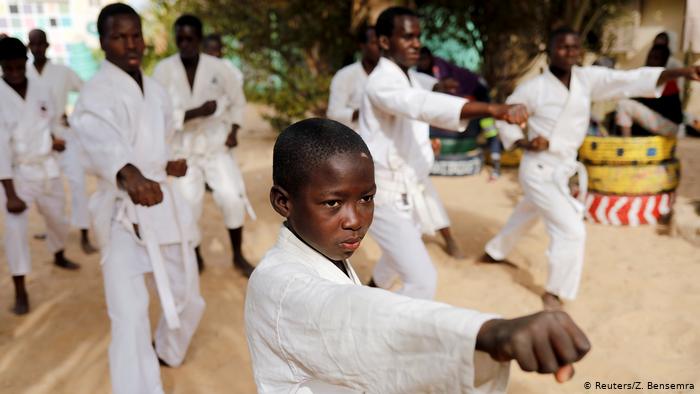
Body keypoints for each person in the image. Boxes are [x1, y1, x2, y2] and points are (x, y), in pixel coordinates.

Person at [245, 117, 591, 393]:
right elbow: (357, 317)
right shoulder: (279, 286)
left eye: (366, 198)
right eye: (332, 203)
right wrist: (486, 333)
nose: (355, 220)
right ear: (283, 202)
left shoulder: (324, 254)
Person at [483, 27, 700, 310]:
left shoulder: (587, 80)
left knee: (528, 212)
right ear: (549, 51)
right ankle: (554, 292)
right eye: (563, 47)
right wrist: (524, 142)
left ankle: (494, 252)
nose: (570, 52)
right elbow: (503, 117)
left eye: (575, 47)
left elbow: (628, 80)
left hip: (564, 167)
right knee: (572, 231)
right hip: (539, 168)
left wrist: (681, 72)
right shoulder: (533, 89)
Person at [70, 4, 204, 393]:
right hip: (122, 213)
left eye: (136, 35)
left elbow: (158, 142)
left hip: (162, 203)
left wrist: (167, 164)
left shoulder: (156, 89)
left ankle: (167, 349)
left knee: (188, 298)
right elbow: (99, 140)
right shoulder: (96, 94)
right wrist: (128, 173)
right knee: (129, 319)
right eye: (118, 36)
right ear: (103, 41)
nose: (131, 44)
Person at [358, 7, 527, 299]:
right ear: (384, 42)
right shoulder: (381, 82)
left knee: (393, 264)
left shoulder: (407, 76)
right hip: (385, 195)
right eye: (407, 37)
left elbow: (425, 93)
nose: (416, 44)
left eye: (418, 37)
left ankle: (364, 300)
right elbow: (422, 104)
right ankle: (385, 331)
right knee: (423, 281)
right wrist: (492, 109)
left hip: (409, 190)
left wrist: (424, 144)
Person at [153, 14, 255, 276]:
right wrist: (193, 112)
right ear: (176, 39)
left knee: (232, 197)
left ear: (199, 39)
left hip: (214, 146)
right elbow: (157, 113)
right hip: (183, 150)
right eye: (181, 39)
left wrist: (234, 129)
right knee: (188, 204)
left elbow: (237, 101)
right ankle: (195, 255)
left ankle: (237, 254)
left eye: (191, 38)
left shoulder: (220, 68)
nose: (185, 44)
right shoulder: (163, 71)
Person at [0, 37, 80, 315]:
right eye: (7, 68)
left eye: (18, 66)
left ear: (25, 62)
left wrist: (56, 138)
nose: (14, 72)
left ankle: (58, 253)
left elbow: (52, 122)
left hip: (47, 168)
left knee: (58, 219)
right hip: (17, 175)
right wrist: (10, 193)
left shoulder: (41, 88)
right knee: (15, 233)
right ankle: (20, 290)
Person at [26, 28, 97, 254]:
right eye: (33, 44)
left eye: (41, 44)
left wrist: (74, 118)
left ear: (47, 45)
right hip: (37, 141)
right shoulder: (23, 73)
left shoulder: (62, 71)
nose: (37, 48)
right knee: (46, 186)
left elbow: (87, 92)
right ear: (29, 47)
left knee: (77, 183)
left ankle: (84, 233)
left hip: (64, 136)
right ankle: (52, 229)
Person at [417, 46, 503, 180]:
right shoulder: (420, 73)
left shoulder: (439, 68)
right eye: (419, 60)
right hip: (467, 95)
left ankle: (496, 165)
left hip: (478, 91)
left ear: (430, 58)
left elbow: (447, 92)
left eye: (423, 59)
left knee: (489, 126)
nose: (420, 62)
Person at [615, 45, 683, 137]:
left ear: (663, 62)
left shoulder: (666, 81)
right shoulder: (647, 76)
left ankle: (626, 144)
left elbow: (657, 107)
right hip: (659, 123)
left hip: (669, 127)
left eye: (656, 58)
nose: (651, 61)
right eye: (650, 57)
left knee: (623, 105)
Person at [326, 25, 380, 130]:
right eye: (374, 43)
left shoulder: (391, 76)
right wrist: (363, 111)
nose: (379, 47)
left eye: (381, 43)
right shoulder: (345, 75)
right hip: (357, 141)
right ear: (362, 46)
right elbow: (333, 114)